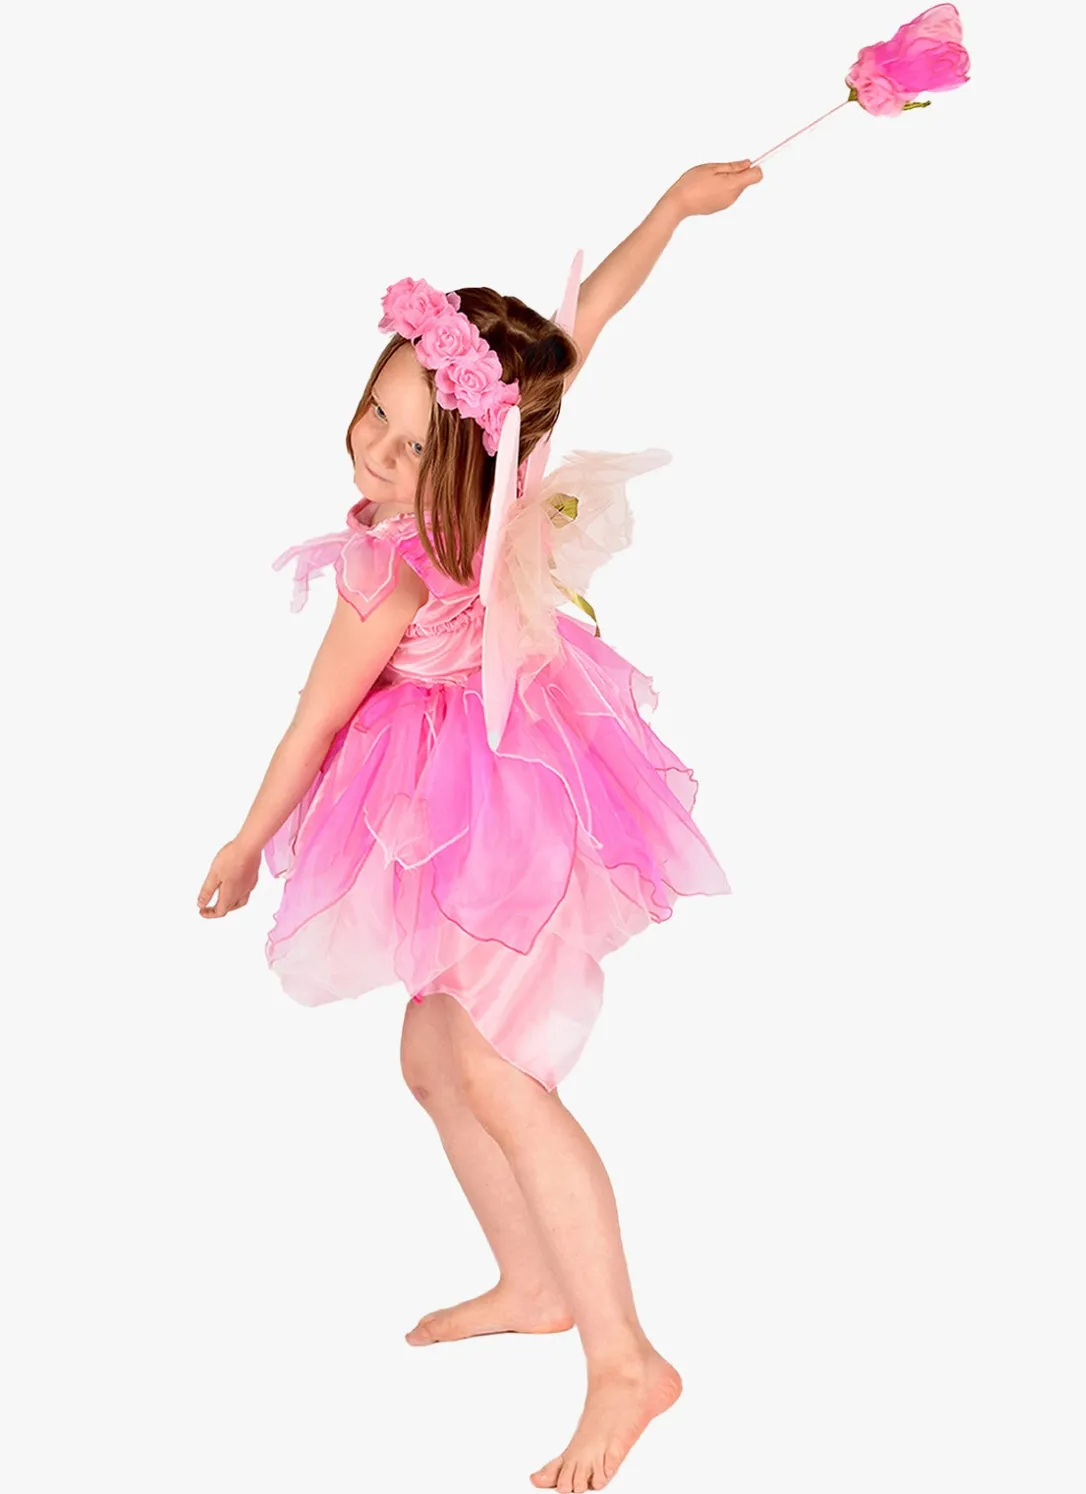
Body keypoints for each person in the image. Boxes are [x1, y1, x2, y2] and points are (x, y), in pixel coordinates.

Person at [198, 155, 763, 1493]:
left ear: (472, 450)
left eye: (411, 444)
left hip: (489, 810)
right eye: (374, 415)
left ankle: (627, 1359)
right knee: (437, 1057)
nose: (378, 452)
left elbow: (314, 722)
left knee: (504, 1073)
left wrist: (245, 841)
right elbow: (589, 316)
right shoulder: (507, 463)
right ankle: (534, 1281)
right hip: (504, 783)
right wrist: (673, 210)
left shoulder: (385, 569)